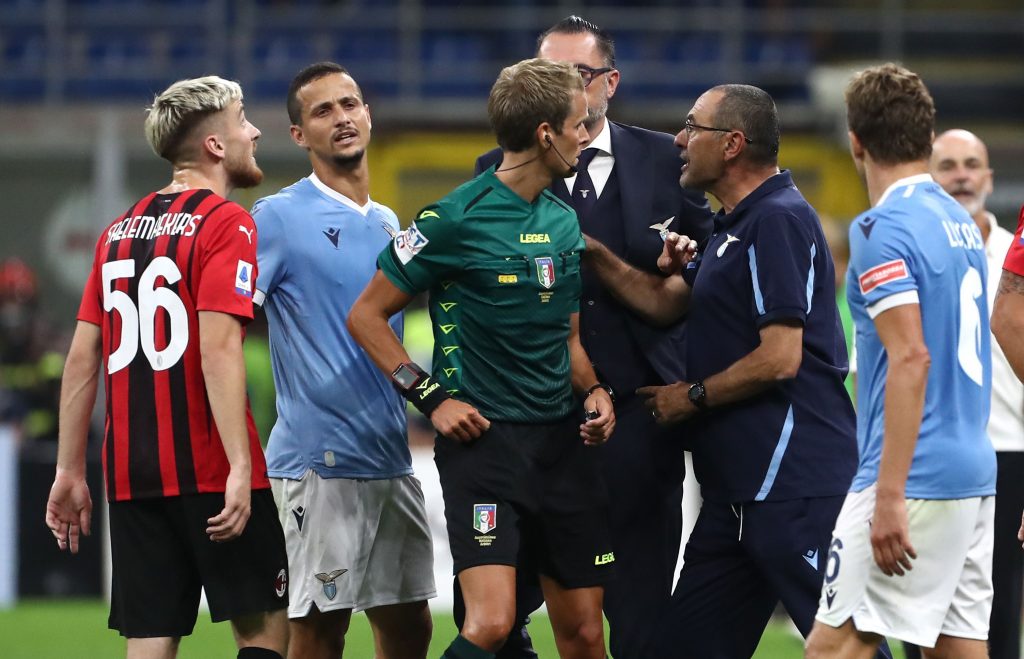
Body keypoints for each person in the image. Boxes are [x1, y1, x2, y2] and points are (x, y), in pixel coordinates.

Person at [583, 83, 883, 659]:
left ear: (732, 145)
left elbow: (781, 357)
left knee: (848, 648)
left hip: (792, 483)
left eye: (692, 126)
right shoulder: (731, 225)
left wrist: (687, 397)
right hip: (735, 495)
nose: (678, 139)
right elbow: (666, 304)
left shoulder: (779, 220)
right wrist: (594, 252)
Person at [347, 57, 616, 659]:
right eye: (578, 122)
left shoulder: (565, 223)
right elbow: (365, 317)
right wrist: (430, 397)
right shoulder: (451, 220)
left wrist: (596, 392)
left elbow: (568, 342)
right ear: (545, 133)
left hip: (563, 447)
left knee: (584, 634)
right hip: (488, 449)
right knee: (491, 625)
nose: (586, 132)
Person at [473, 16, 713, 658]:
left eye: (576, 74)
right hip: (533, 414)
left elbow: (706, 272)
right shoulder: (499, 166)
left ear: (610, 81)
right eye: (547, 73)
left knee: (640, 603)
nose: (560, 87)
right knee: (511, 607)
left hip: (639, 409)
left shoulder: (667, 158)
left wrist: (681, 265)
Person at [44, 76, 289, 659]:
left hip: (131, 475)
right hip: (209, 467)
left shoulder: (115, 234)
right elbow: (218, 347)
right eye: (242, 119)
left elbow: (83, 358)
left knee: (150, 641)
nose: (253, 131)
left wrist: (70, 470)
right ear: (215, 146)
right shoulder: (227, 223)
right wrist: (238, 465)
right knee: (265, 630)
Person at [805, 64, 996, 659]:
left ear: (855, 142)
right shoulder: (961, 224)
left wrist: (888, 495)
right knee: (957, 649)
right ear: (926, 136)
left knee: (833, 649)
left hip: (913, 474)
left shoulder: (882, 227)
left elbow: (911, 356)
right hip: (972, 471)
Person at [248, 61, 434, 659]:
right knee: (320, 632)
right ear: (299, 135)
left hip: (388, 456)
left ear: (368, 114)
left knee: (410, 629)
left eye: (350, 104)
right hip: (318, 463)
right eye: (323, 111)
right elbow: (225, 323)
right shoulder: (276, 218)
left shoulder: (387, 222)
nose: (343, 118)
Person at [930, 129, 1024, 659]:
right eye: (948, 166)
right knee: (921, 610)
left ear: (989, 177)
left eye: (972, 164)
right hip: (936, 457)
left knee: (1000, 612)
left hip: (1010, 452)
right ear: (931, 179)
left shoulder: (1017, 259)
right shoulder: (916, 255)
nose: (962, 175)